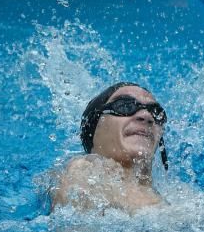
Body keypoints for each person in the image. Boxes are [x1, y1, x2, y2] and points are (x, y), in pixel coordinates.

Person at [51, 82, 168, 213]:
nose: (147, 117)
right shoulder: (83, 172)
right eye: (125, 105)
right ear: (93, 128)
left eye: (156, 112)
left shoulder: (176, 193)